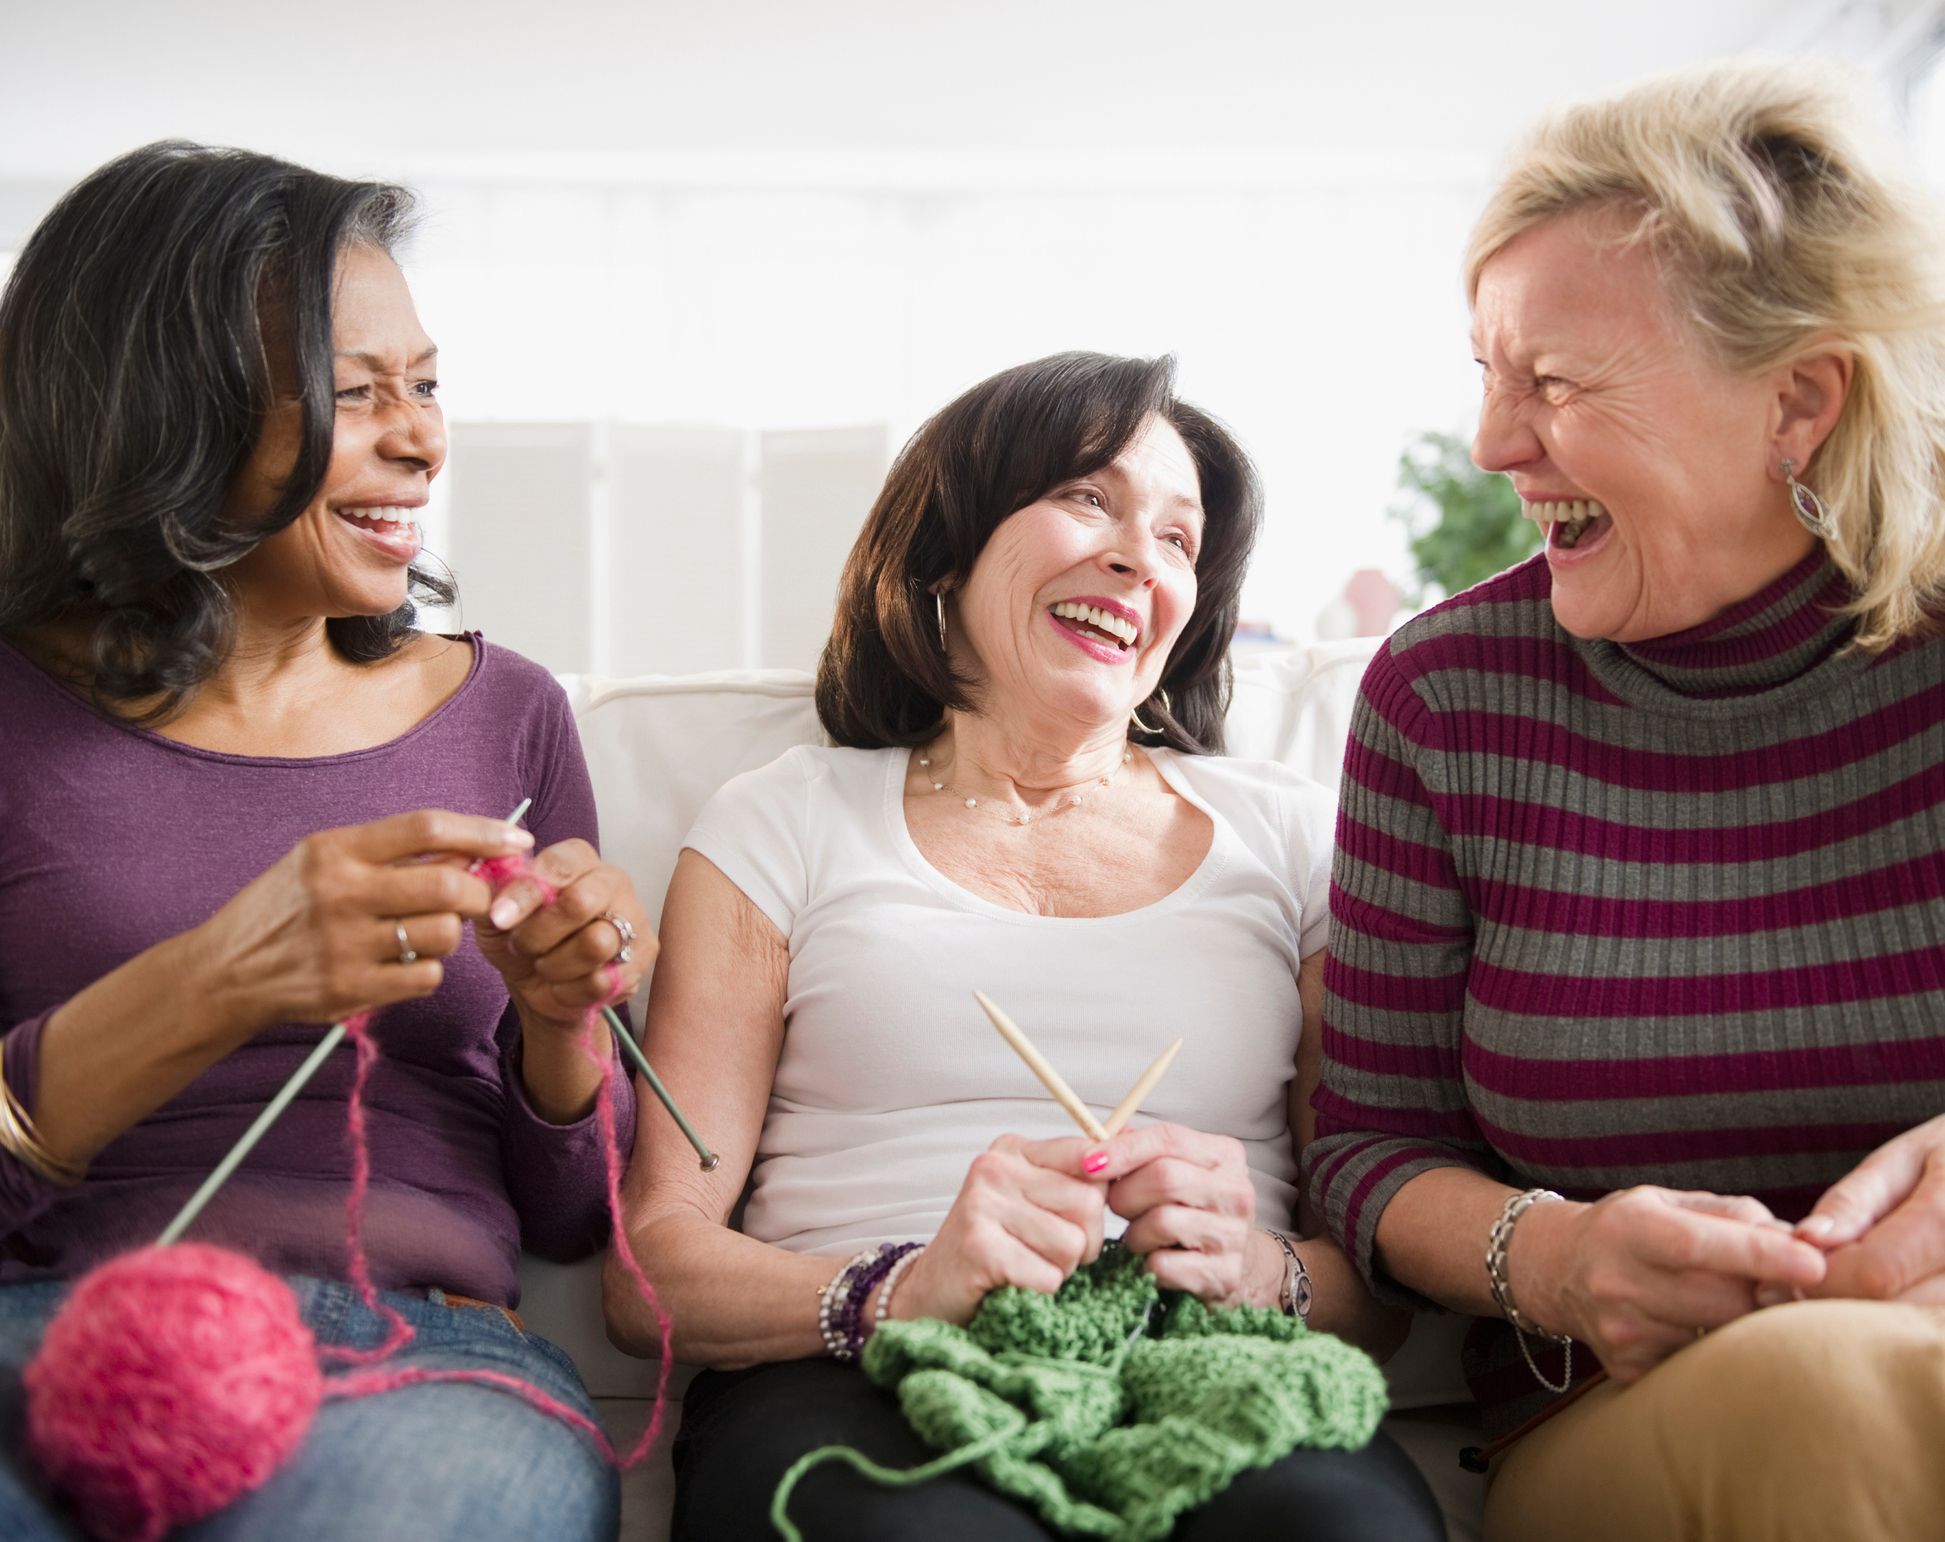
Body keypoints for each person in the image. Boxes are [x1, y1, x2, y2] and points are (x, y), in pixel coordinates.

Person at [606, 350, 1445, 1540]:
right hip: (856, 1371)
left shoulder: (1295, 840)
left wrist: (1263, 1269)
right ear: (948, 543)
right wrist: (901, 1288)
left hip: (1206, 1361)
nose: (1133, 555)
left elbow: (1379, 1289)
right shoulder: (782, 819)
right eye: (1088, 498)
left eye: (1175, 539)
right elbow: (652, 1272)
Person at [1303, 61, 1945, 1542]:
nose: (1491, 444)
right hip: (1619, 1417)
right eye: (1485, 370)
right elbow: (1366, 1149)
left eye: (1555, 380)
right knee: (1833, 1391)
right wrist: (1562, 1254)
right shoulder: (1448, 700)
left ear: (1797, 399)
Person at [0, 143, 654, 1540]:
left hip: (416, 1348)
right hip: (45, 1328)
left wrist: (561, 1026)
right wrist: (221, 976)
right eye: (357, 394)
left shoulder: (510, 715)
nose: (419, 438)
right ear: (165, 410)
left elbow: (571, 1216)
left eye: (426, 385)